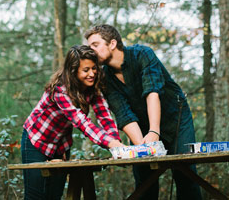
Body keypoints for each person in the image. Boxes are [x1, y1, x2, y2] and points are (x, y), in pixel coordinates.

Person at [84, 24, 202, 200]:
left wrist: (154, 131)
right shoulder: (104, 77)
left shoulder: (142, 54)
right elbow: (123, 113)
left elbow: (152, 93)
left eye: (95, 44)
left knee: (185, 173)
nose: (90, 51)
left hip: (175, 119)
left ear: (113, 43)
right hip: (140, 126)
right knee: (144, 178)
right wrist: (142, 147)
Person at [21, 45, 125, 200]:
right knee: (35, 196)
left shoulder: (93, 88)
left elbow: (104, 116)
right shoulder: (60, 89)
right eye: (86, 70)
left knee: (54, 195)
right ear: (73, 71)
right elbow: (81, 122)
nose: (92, 74)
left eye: (94, 68)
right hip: (36, 141)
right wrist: (111, 144)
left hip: (60, 145)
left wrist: (116, 144)